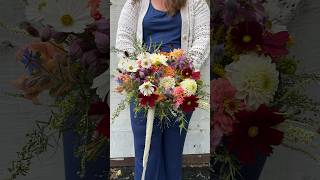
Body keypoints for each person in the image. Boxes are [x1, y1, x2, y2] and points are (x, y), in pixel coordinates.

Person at [115, 0, 209, 179]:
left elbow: (202, 39)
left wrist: (179, 72)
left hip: (181, 86)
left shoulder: (196, 4)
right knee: (146, 149)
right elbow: (123, 42)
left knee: (173, 149)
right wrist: (142, 71)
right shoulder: (135, 4)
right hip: (144, 85)